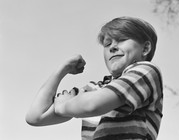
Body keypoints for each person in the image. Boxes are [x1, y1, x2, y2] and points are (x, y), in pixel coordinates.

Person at [25, 16, 163, 140]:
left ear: (145, 49)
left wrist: (62, 106)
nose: (112, 47)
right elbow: (35, 117)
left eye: (121, 40)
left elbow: (92, 105)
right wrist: (61, 70)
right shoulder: (96, 89)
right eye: (107, 44)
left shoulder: (145, 72)